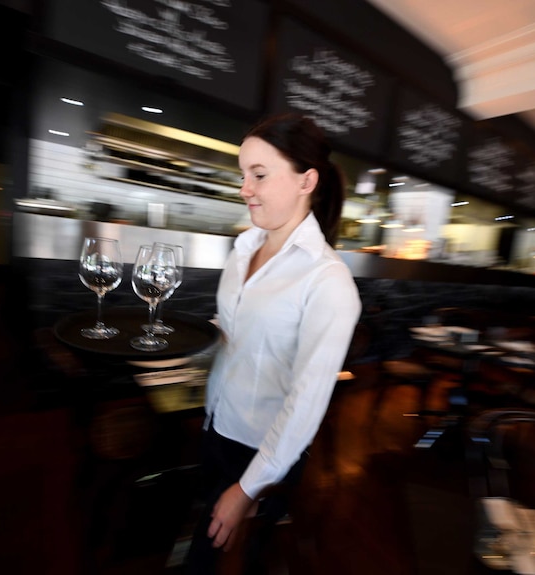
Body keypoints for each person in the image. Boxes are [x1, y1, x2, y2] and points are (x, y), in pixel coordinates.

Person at [185, 113, 362, 573]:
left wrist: (247, 489)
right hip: (216, 425)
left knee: (235, 562)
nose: (245, 189)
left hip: (262, 454)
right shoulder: (243, 248)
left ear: (307, 180)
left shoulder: (328, 281)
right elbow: (235, 332)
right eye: (244, 175)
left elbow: (307, 403)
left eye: (259, 175)